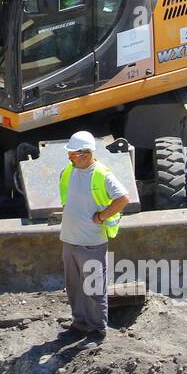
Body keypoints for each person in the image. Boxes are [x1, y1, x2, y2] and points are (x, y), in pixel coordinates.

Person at [58, 131, 130, 347]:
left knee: (93, 288)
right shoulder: (69, 171)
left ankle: (97, 330)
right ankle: (79, 324)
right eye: (69, 155)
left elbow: (123, 198)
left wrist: (101, 217)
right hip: (70, 240)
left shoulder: (102, 175)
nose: (69, 158)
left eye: (72, 155)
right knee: (74, 286)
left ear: (86, 154)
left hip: (91, 243)